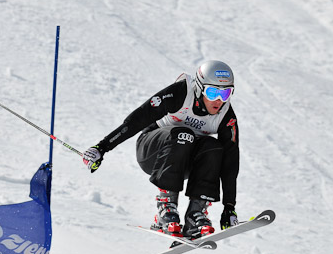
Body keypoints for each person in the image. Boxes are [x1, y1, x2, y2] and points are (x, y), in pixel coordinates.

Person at [83, 60, 240, 239]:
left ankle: (195, 214)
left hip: (183, 163)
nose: (219, 100)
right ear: (198, 88)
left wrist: (229, 207)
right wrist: (102, 147)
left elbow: (230, 161)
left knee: (214, 147)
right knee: (184, 134)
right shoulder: (181, 93)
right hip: (152, 152)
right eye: (212, 93)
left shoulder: (226, 116)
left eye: (226, 93)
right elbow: (137, 119)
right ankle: (166, 207)